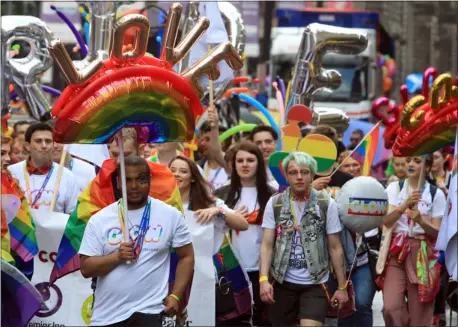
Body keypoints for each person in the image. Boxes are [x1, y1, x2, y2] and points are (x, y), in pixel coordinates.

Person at [79, 156, 194, 327]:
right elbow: (86, 268)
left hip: (150, 312)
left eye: (141, 180)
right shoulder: (100, 219)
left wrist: (176, 295)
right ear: (118, 182)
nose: (133, 186)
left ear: (149, 181)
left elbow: (187, 256)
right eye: (128, 180)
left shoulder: (170, 215)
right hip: (107, 316)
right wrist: (116, 257)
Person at [259, 151, 348, 327]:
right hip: (282, 281)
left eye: (304, 172)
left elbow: (335, 247)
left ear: (312, 174)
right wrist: (263, 280)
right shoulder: (275, 203)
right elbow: (267, 245)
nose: (299, 177)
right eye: (293, 172)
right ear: (286, 176)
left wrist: (342, 287)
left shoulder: (325, 203)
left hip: (316, 282)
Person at [169, 156, 250, 325]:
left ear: (192, 177)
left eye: (183, 171)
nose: (176, 174)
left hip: (209, 276)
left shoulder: (210, 203)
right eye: (172, 170)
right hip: (174, 275)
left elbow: (243, 225)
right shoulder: (161, 205)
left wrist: (218, 211)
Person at [215, 141, 276, 326]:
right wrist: (230, 219)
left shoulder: (273, 195)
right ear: (233, 165)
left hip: (263, 271)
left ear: (259, 163)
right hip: (230, 269)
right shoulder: (221, 194)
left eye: (250, 160)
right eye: (239, 160)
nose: (245, 164)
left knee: (261, 320)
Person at [381, 155, 446, 327]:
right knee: (391, 307)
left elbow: (437, 234)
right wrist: (404, 205)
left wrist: (421, 221)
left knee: (420, 314)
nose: (410, 164)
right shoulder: (394, 188)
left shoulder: (436, 194)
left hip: (423, 255)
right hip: (397, 251)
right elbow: (386, 222)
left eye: (417, 161)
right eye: (409, 160)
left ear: (426, 167)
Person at [8, 123, 80, 214]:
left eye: (48, 141)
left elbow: (73, 215)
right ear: (27, 146)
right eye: (38, 141)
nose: (44, 145)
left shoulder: (67, 176)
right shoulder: (11, 173)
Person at [249, 125, 279, 189]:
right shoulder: (247, 171)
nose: (264, 147)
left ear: (276, 143)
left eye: (268, 142)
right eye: (258, 143)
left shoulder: (287, 169)